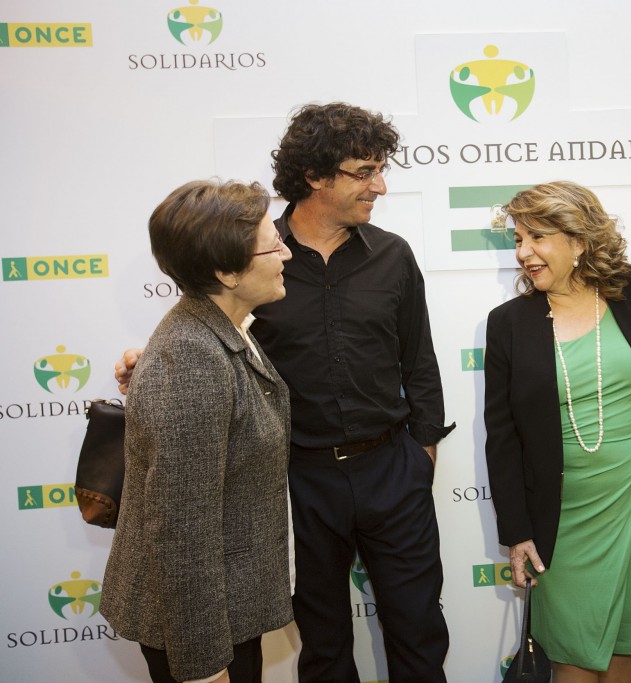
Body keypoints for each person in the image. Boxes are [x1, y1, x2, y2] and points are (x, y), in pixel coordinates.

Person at [116, 103, 454, 683]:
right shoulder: (251, 257)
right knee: (323, 644)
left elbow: (419, 359)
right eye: (364, 172)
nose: (380, 185)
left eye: (380, 169)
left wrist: (420, 454)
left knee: (420, 633)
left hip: (392, 470)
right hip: (298, 482)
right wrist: (149, 364)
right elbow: (216, 339)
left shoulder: (393, 254)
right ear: (316, 176)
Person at [484, 181, 631, 683]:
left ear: (579, 241)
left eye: (537, 237)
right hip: (561, 515)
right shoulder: (509, 323)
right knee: (571, 656)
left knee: (625, 647)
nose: (523, 253)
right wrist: (517, 532)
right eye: (518, 239)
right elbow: (502, 436)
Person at [101, 179, 294, 683]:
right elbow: (182, 532)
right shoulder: (191, 356)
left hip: (225, 607)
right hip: (199, 627)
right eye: (274, 244)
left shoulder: (221, 332)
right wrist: (204, 670)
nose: (286, 254)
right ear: (226, 272)